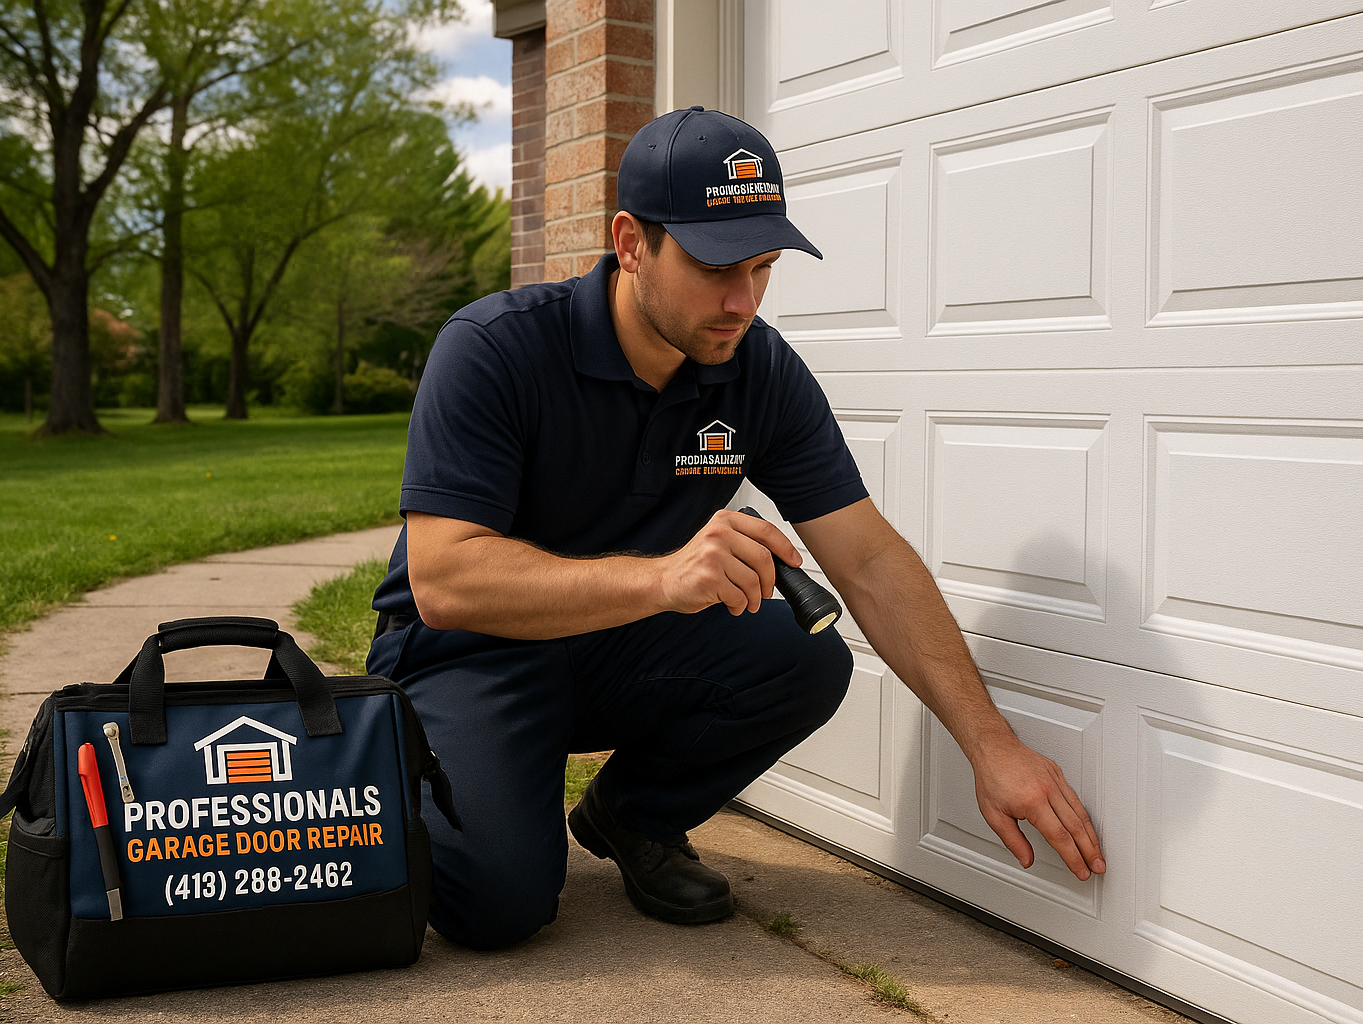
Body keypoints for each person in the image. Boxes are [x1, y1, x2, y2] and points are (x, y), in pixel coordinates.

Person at [367, 106, 1105, 950]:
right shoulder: (495, 348)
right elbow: (445, 580)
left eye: (762, 267)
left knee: (803, 655)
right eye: (716, 265)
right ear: (631, 241)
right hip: (474, 649)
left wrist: (991, 744)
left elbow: (867, 559)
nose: (741, 301)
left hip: (618, 642)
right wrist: (661, 578)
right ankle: (427, 768)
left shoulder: (756, 368)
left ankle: (632, 816)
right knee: (496, 906)